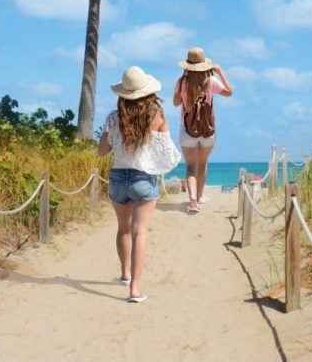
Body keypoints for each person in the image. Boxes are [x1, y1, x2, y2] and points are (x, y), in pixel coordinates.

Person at [97, 66, 170, 303]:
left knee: (124, 229)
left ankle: (125, 273)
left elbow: (101, 151)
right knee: (141, 232)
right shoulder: (156, 115)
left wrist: (111, 138)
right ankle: (135, 290)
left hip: (118, 177)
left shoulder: (112, 117)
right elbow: (167, 154)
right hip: (142, 179)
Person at [173, 46, 233, 213]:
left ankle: (192, 199)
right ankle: (199, 196)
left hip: (187, 129)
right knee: (202, 163)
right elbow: (229, 92)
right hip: (208, 130)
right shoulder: (211, 81)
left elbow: (176, 103)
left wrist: (184, 95)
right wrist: (220, 72)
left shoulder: (181, 82)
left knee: (191, 165)